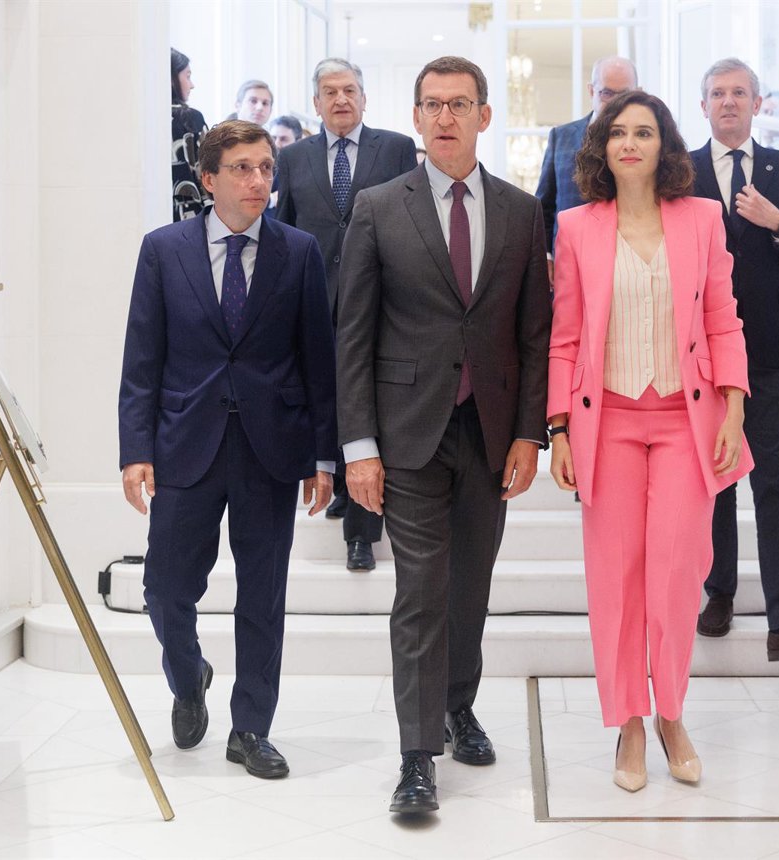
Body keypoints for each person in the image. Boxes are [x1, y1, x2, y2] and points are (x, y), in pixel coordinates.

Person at [337, 56, 551, 814]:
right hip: (407, 434)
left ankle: (460, 706)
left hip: (489, 433)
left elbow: (533, 333)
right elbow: (352, 336)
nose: (445, 117)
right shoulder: (377, 207)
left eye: (459, 104)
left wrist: (529, 434)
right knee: (421, 591)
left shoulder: (522, 212)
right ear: (416, 117)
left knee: (470, 585)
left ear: (484, 116)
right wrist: (359, 447)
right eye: (431, 105)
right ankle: (417, 756)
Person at [118, 120, 337, 780]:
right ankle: (189, 678)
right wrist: (135, 448)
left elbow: (318, 361)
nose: (258, 180)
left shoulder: (298, 252)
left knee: (262, 595)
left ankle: (251, 729)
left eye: (266, 167)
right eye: (243, 168)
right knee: (164, 589)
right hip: (185, 444)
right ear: (209, 179)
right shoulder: (164, 251)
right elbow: (142, 359)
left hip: (271, 447)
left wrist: (323, 455)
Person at [547, 90, 752, 791]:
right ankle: (629, 723)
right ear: (602, 147)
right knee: (616, 579)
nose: (630, 143)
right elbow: (565, 337)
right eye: (618, 133)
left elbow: (724, 318)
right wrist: (559, 429)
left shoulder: (702, 219)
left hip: (683, 423)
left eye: (644, 132)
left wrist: (734, 407)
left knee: (675, 574)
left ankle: (671, 713)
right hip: (606, 422)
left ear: (665, 145)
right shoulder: (576, 227)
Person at [690, 58, 779, 661]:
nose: (728, 102)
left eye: (739, 92)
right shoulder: (683, 172)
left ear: (757, 103)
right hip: (702, 354)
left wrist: (778, 223)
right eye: (718, 93)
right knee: (716, 482)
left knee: (774, 482)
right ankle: (717, 597)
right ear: (703, 106)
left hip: (771, 353)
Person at [276, 57, 418, 573]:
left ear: (364, 97)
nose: (341, 99)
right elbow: (283, 229)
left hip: (378, 296)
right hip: (313, 298)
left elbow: (412, 218)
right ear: (316, 103)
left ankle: (362, 535)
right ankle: (337, 481)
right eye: (330, 92)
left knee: (365, 402)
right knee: (327, 396)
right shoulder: (293, 158)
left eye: (350, 90)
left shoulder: (396, 148)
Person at [535, 56, 638, 280]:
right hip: (569, 267)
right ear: (592, 91)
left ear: (637, 94)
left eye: (624, 95)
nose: (615, 103)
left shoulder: (646, 145)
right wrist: (546, 255)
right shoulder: (561, 137)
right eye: (607, 93)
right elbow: (543, 207)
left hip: (629, 268)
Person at [171, 48, 208, 222]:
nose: (191, 85)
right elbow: (208, 167)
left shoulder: (141, 119)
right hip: (189, 211)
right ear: (171, 78)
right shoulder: (191, 118)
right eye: (187, 76)